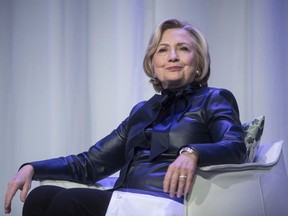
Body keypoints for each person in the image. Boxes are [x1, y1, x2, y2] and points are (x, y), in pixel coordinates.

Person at [5, 18, 246, 216]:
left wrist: (193, 152)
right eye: (163, 50)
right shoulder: (142, 111)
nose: (172, 56)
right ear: (153, 63)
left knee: (71, 202)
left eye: (183, 48)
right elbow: (91, 164)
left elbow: (236, 146)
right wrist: (33, 168)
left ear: (199, 62)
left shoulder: (214, 98)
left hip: (161, 203)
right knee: (41, 196)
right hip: (124, 199)